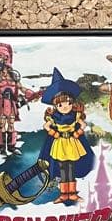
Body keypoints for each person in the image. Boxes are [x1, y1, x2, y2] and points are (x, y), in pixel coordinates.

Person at [40, 68, 94, 205]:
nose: (65, 106)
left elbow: (83, 125)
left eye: (68, 103)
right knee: (63, 168)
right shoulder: (54, 117)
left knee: (71, 168)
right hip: (60, 144)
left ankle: (73, 194)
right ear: (55, 105)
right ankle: (64, 195)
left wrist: (77, 133)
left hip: (71, 143)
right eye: (60, 104)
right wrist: (55, 133)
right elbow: (46, 126)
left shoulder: (75, 115)